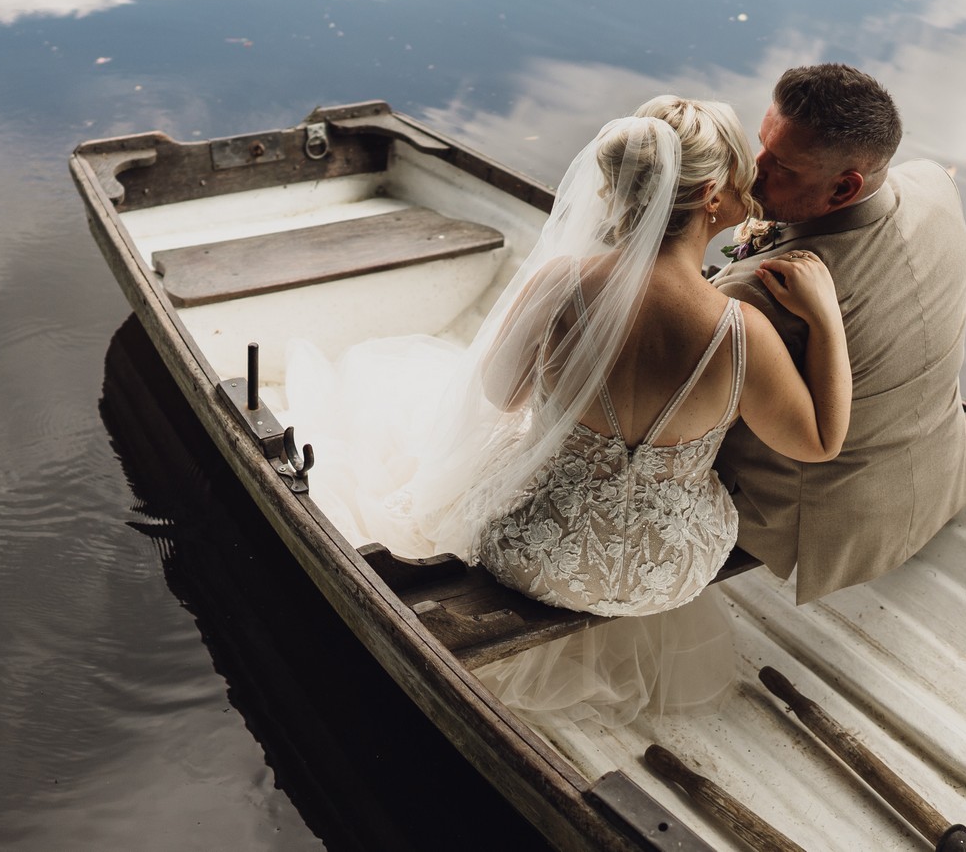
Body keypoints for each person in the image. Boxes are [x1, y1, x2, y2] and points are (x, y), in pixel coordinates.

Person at [285, 97, 851, 723]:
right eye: (743, 175)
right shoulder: (742, 333)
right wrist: (824, 317)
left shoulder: (560, 284)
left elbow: (502, 395)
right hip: (667, 568)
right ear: (713, 196)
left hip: (533, 549)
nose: (754, 187)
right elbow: (820, 442)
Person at [712, 64, 966, 605]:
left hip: (816, 526)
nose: (750, 172)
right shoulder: (937, 187)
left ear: (844, 186)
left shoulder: (758, 291)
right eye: (760, 145)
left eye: (780, 166)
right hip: (938, 474)